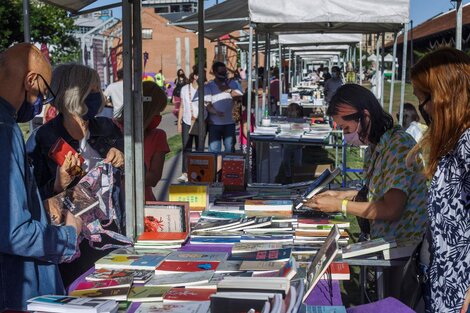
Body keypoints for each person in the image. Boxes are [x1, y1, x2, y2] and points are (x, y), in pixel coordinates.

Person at [304, 84, 428, 297]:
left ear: (365, 117)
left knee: (395, 303)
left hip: (405, 249)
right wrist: (340, 195)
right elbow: (376, 192)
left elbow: (391, 208)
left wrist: (340, 205)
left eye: (347, 129)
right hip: (389, 244)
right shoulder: (377, 146)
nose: (345, 137)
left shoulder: (398, 146)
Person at [0, 43, 82, 311]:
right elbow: (14, 232)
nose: (38, 104)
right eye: (41, 94)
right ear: (31, 80)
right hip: (18, 289)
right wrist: (69, 235)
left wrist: (54, 186)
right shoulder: (5, 131)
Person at [27, 63, 124, 287]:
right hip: (67, 238)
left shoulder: (108, 128)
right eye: (90, 91)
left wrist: (123, 159)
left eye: (98, 90)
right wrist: (57, 184)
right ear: (71, 94)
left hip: (108, 234)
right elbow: (27, 198)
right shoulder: (42, 138)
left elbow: (138, 176)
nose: (97, 96)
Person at [409, 47, 470, 313]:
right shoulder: (453, 139)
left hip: (459, 286)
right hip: (442, 276)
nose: (423, 109)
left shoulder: (467, 140)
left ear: (444, 96)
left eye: (424, 99)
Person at [201, 61, 243, 153]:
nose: (224, 75)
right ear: (215, 73)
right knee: (214, 151)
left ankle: (228, 167)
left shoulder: (232, 84)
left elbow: (240, 97)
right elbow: (207, 104)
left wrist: (228, 90)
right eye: (221, 73)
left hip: (230, 123)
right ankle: (217, 167)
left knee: (230, 149)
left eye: (225, 72)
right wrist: (215, 112)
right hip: (214, 124)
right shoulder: (209, 86)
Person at [177, 68, 206, 183]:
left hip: (201, 121)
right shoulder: (185, 89)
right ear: (195, 76)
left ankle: (199, 172)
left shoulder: (205, 89)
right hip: (187, 121)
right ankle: (185, 173)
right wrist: (179, 123)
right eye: (200, 75)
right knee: (186, 147)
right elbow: (182, 106)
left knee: (200, 148)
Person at [143, 81, 170, 201]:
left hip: (144, 202)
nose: (159, 116)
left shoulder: (158, 136)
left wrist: (122, 176)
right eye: (157, 111)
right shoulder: (114, 128)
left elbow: (154, 178)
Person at [281, 102, 304, 183]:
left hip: (297, 144)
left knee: (297, 162)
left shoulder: (300, 120)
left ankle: (296, 176)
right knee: (286, 161)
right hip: (288, 144)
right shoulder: (287, 120)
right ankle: (289, 176)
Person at [240, 90, 256, 180]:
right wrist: (251, 140)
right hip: (247, 142)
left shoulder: (249, 113)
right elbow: (245, 129)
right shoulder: (246, 114)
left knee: (251, 163)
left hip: (249, 141)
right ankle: (247, 180)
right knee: (248, 164)